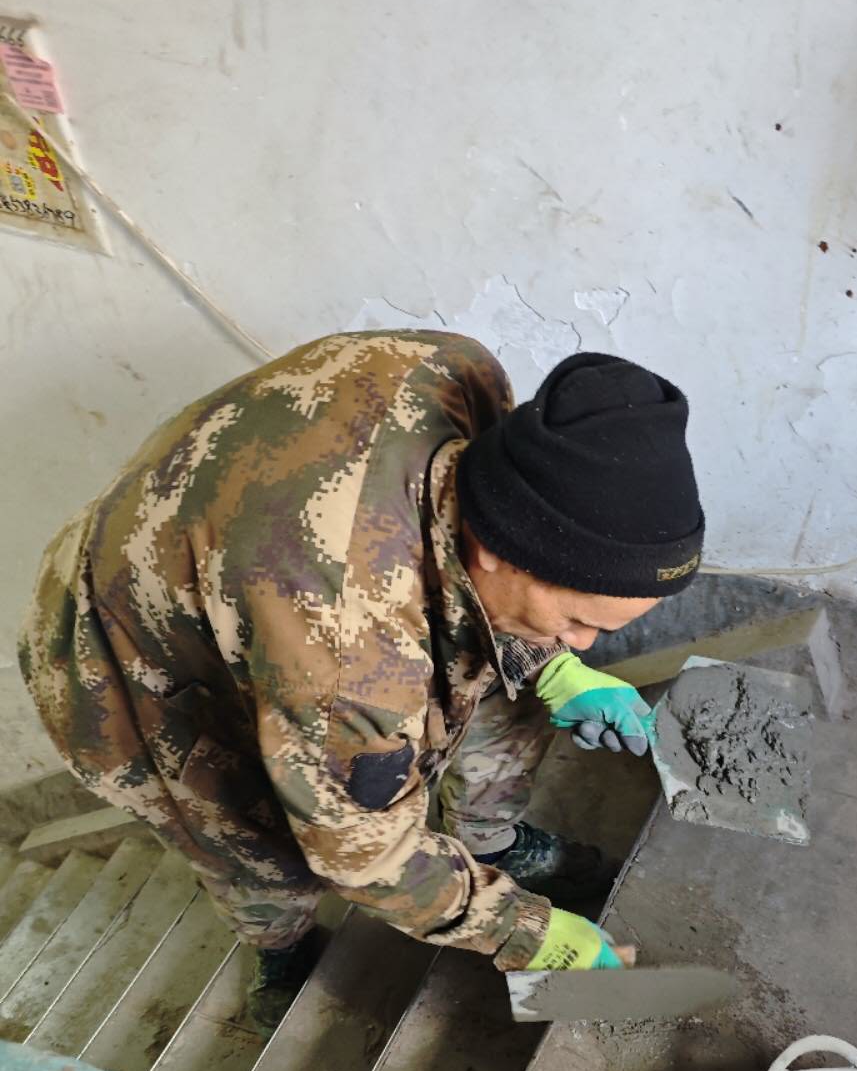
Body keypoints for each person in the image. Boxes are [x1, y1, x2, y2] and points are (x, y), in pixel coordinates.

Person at [19, 334, 704, 1030]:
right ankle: (281, 946)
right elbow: (364, 851)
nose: (586, 643)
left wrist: (552, 662)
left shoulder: (462, 376)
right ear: (499, 548)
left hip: (251, 553)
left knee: (502, 676)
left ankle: (489, 842)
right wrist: (524, 933)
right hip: (135, 654)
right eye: (579, 621)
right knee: (259, 845)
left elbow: (474, 607)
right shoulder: (348, 659)